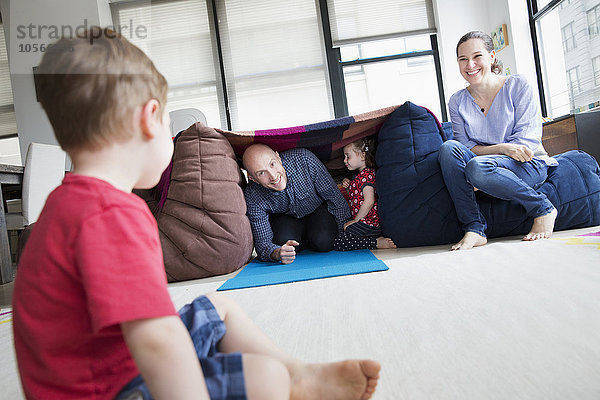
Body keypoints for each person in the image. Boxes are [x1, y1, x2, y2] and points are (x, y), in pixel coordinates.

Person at [12, 27, 381, 400]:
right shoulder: (115, 214)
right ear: (149, 118)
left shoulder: (63, 206)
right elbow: (155, 343)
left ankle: (301, 376)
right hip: (114, 388)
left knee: (219, 308)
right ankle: (286, 380)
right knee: (265, 377)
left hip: (97, 367)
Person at [438, 30, 558, 251]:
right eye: (463, 59)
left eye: (477, 57)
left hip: (528, 164)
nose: (470, 65)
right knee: (448, 148)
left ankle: (543, 208)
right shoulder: (456, 101)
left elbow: (525, 145)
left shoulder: (518, 85)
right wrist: (502, 147)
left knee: (477, 168)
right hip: (486, 166)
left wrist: (486, 159)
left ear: (492, 57)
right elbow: (464, 146)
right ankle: (474, 228)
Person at [243, 144, 351, 264]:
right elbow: (263, 245)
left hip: (317, 210)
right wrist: (277, 253)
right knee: (281, 243)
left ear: (278, 157)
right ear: (253, 179)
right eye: (261, 173)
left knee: (324, 241)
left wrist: (345, 234)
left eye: (272, 164)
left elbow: (335, 198)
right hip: (286, 219)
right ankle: (301, 243)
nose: (273, 176)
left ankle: (311, 240)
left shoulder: (304, 159)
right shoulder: (253, 195)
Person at [334, 138, 396, 251]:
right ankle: (373, 239)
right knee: (341, 232)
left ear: (362, 156)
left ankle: (376, 242)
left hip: (369, 223)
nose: (344, 160)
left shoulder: (367, 175)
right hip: (364, 222)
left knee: (340, 242)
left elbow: (369, 200)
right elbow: (356, 197)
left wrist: (356, 220)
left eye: (348, 156)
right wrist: (348, 186)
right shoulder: (359, 177)